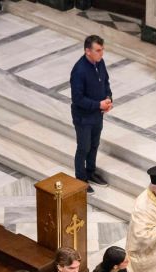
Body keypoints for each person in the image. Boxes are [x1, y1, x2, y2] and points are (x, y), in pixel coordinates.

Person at [69, 34, 111, 191]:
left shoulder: (100, 63)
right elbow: (77, 99)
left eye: (102, 49)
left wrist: (108, 99)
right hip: (83, 117)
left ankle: (91, 172)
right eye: (98, 50)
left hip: (97, 114)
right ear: (88, 51)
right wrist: (98, 104)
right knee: (83, 147)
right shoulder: (79, 70)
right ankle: (80, 179)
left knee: (94, 144)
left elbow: (105, 83)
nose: (101, 53)